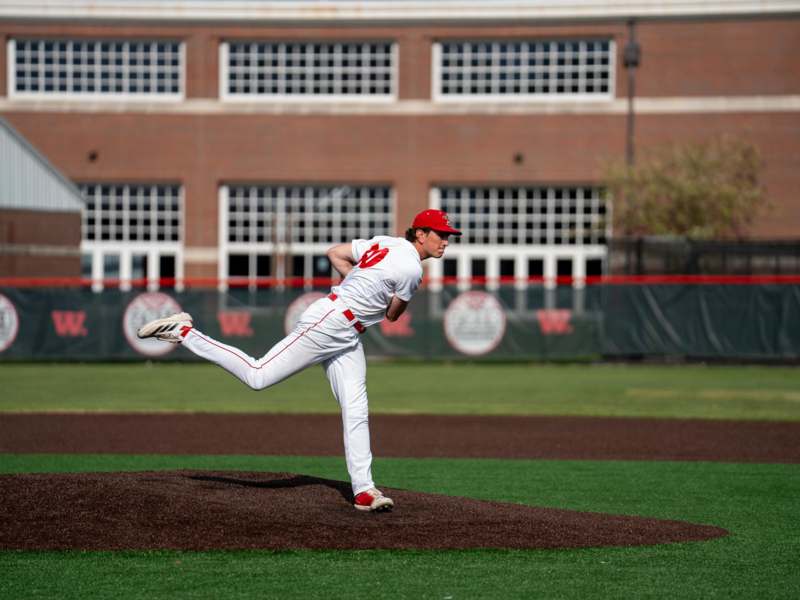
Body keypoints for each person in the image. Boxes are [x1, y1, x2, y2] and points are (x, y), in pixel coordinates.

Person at [137, 208, 462, 512]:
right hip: (331, 322)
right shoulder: (411, 268)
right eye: (440, 233)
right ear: (420, 234)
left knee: (356, 406)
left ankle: (364, 490)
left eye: (448, 235)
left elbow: (334, 253)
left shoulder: (384, 242)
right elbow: (392, 315)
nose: (446, 240)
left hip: (346, 331)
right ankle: (184, 332)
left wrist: (355, 281)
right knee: (258, 375)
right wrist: (360, 288)